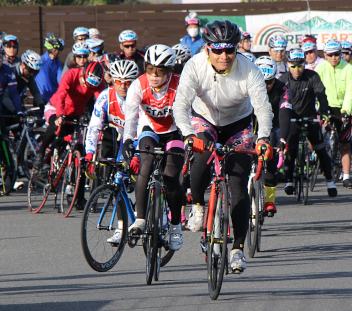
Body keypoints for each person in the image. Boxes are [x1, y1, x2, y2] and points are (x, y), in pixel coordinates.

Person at [174, 20, 273, 273]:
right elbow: (180, 105)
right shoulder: (194, 66)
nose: (224, 56)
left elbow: (262, 108)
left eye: (230, 50)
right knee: (200, 157)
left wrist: (263, 139)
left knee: (239, 184)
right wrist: (187, 134)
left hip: (238, 124)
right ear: (207, 49)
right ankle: (197, 205)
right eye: (217, 50)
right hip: (204, 119)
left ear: (236, 49)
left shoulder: (250, 69)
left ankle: (237, 249)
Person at [120, 45, 184, 251]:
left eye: (160, 71)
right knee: (146, 164)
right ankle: (140, 219)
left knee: (171, 176)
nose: (154, 76)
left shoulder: (180, 85)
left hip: (175, 131)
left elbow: (191, 113)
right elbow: (130, 116)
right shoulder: (138, 85)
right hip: (150, 130)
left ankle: (175, 226)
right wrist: (128, 140)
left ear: (170, 71)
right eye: (149, 69)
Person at [35, 60, 106, 210]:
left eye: (92, 86)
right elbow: (61, 95)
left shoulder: (99, 82)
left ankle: (79, 199)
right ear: (83, 74)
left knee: (80, 155)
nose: (88, 87)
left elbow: (102, 100)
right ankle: (41, 152)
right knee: (57, 126)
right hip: (56, 108)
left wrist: (104, 119)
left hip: (76, 115)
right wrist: (60, 114)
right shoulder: (71, 74)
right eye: (87, 83)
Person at [278, 48, 338, 197]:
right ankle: (289, 181)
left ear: (304, 64)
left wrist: (323, 113)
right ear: (288, 65)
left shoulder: (312, 76)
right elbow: (277, 100)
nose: (297, 69)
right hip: (291, 118)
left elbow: (321, 96)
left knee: (320, 148)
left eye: (300, 66)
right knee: (290, 148)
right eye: (293, 66)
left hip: (310, 117)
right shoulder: (283, 79)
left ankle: (330, 182)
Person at [315, 40, 352, 188]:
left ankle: (346, 176)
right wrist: (321, 111)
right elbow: (317, 91)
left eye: (337, 54)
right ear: (325, 55)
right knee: (316, 134)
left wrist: (346, 111)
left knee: (344, 144)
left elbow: (350, 92)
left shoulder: (349, 69)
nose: (334, 58)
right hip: (326, 106)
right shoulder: (319, 68)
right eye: (330, 55)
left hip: (342, 107)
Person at [86, 59, 139, 170]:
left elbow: (146, 130)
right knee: (120, 173)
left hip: (140, 138)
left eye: (128, 82)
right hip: (124, 137)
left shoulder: (141, 97)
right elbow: (94, 127)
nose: (123, 86)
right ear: (113, 81)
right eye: (119, 82)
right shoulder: (106, 97)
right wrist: (90, 151)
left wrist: (138, 155)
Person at [256, 56, 291, 216]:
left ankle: (269, 200)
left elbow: (285, 114)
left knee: (271, 155)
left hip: (273, 125)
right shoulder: (247, 87)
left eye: (269, 82)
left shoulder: (283, 89)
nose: (266, 86)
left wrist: (283, 139)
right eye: (262, 83)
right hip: (250, 125)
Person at [3, 50, 45, 114]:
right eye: (30, 71)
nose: (32, 74)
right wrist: (15, 111)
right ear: (23, 64)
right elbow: (5, 96)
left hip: (17, 104)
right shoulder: (11, 73)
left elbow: (35, 91)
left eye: (35, 72)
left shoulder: (29, 75)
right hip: (5, 105)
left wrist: (41, 105)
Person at [35, 36, 65, 105]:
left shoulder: (57, 62)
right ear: (55, 51)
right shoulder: (40, 61)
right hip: (41, 99)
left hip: (53, 99)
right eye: (61, 50)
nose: (62, 53)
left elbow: (60, 80)